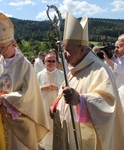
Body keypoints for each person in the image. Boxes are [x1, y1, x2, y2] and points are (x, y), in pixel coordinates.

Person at [50, 12, 124, 150]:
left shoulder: (99, 70)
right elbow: (64, 93)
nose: (64, 54)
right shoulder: (74, 68)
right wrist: (56, 106)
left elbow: (108, 105)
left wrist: (81, 100)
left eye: (68, 50)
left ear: (82, 49)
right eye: (64, 50)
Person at [0, 12, 49, 150]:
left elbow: (29, 94)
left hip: (17, 122)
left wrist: (4, 99)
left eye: (4, 47)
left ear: (14, 44)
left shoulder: (25, 65)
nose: (1, 51)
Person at [37, 53, 64, 150]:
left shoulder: (61, 74)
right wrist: (42, 88)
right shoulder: (39, 75)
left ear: (57, 63)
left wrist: (57, 87)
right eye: (49, 61)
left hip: (58, 107)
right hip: (43, 107)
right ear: (44, 62)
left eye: (53, 61)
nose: (51, 63)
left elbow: (65, 88)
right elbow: (33, 90)